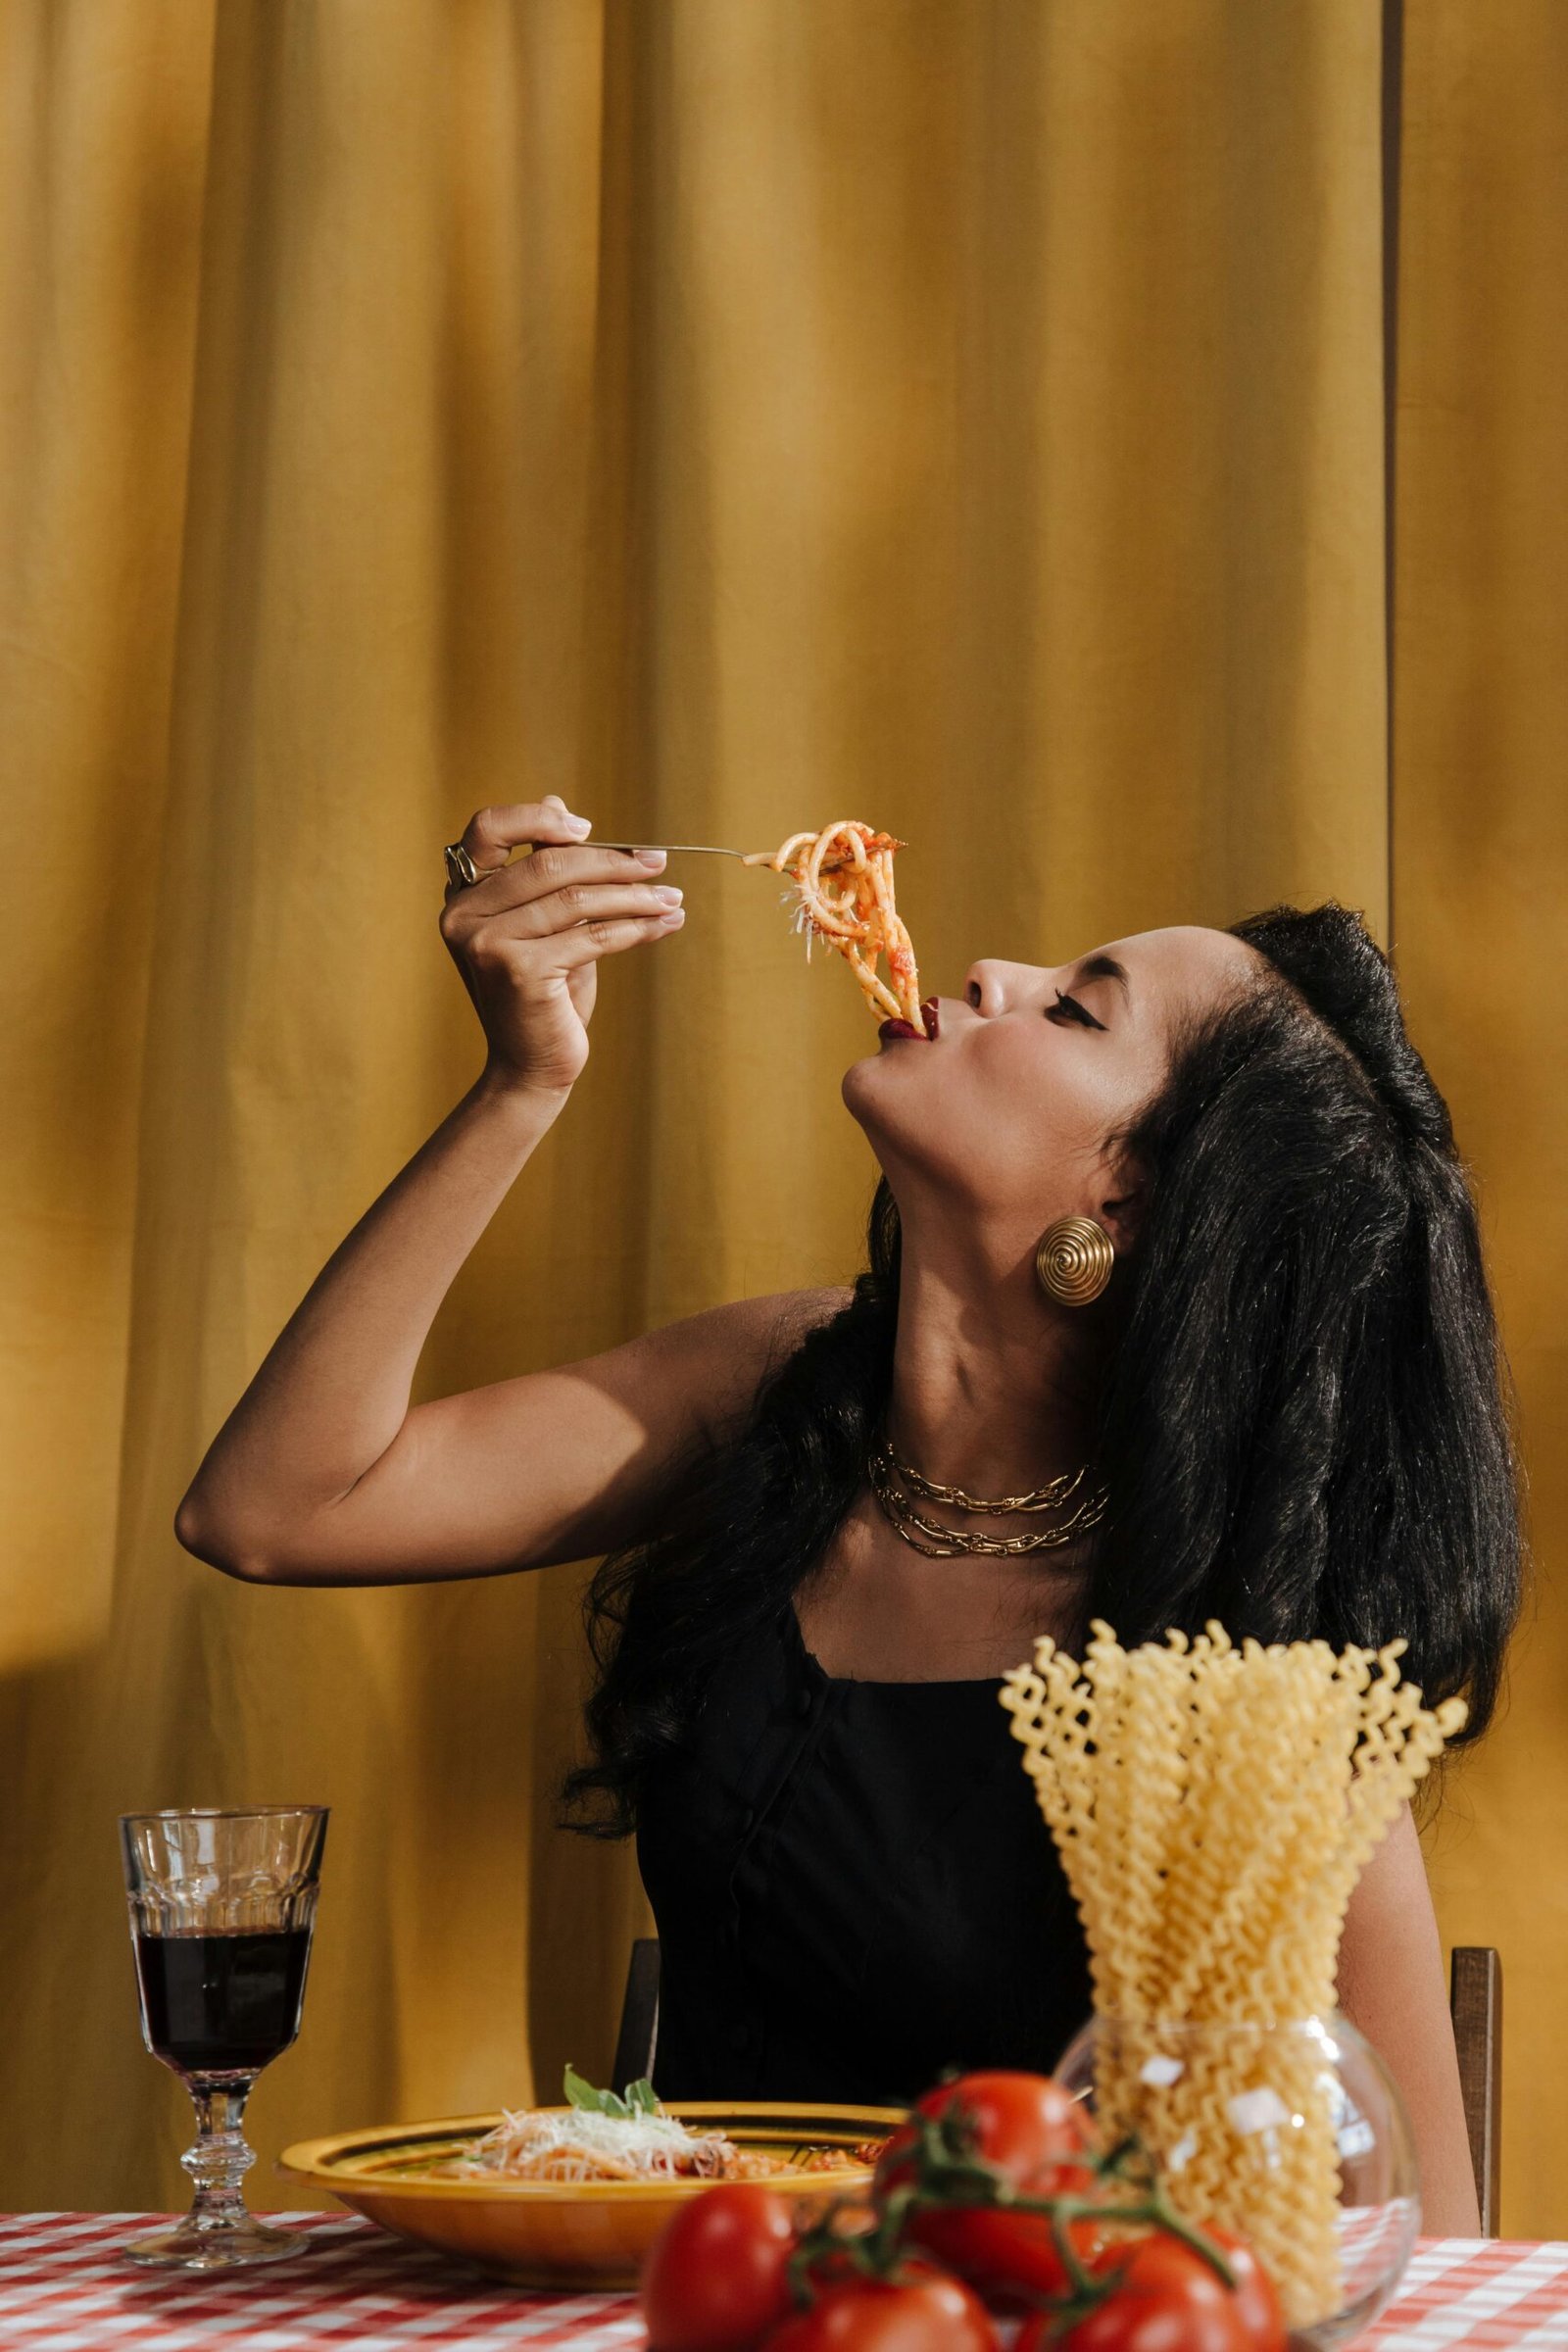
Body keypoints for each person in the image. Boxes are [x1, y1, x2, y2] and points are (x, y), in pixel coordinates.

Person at [176, 796, 1523, 2236]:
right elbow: (271, 1510)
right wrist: (522, 1083)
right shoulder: (781, 1394)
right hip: (695, 2312)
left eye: (1076, 1011)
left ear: (1125, 1207)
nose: (996, 971)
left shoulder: (1249, 1660)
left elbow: (1420, 2244)